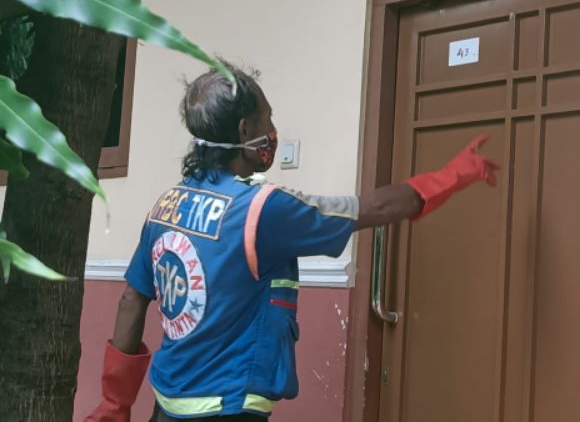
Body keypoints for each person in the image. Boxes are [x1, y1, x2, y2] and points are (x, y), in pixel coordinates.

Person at [85, 63, 499, 422]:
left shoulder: (166, 205)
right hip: (228, 407)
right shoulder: (263, 210)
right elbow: (374, 207)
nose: (271, 130)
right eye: (267, 118)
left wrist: (116, 400)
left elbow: (131, 300)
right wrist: (452, 176)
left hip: (168, 403)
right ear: (245, 130)